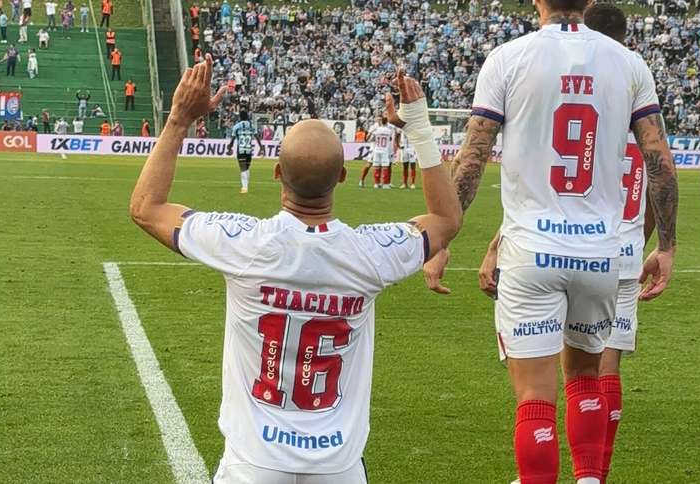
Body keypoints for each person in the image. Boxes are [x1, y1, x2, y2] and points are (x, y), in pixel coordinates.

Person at [129, 57, 461, 484]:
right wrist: (417, 126)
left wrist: (177, 120)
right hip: (337, 465)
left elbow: (145, 208)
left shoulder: (243, 243)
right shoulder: (371, 252)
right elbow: (446, 220)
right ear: (342, 176)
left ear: (277, 173)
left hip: (253, 462)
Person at [424, 0, 679, 481]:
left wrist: (443, 238)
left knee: (536, 397)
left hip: (531, 251)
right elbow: (657, 159)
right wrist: (666, 245)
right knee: (586, 379)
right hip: (600, 251)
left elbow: (474, 157)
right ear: (587, 2)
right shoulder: (628, 63)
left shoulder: (508, 58)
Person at [227, 110, 265, 194]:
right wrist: (261, 147)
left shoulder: (237, 126)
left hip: (241, 150)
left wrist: (229, 147)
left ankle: (244, 187)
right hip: (249, 150)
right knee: (247, 168)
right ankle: (246, 185)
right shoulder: (252, 126)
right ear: (247, 116)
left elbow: (233, 140)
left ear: (240, 117)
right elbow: (257, 137)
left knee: (243, 169)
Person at [362, 116, 394, 189]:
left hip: (376, 149)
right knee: (385, 167)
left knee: (376, 166)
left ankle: (376, 183)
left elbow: (371, 139)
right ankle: (385, 184)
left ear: (381, 122)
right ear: (386, 122)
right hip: (384, 150)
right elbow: (390, 139)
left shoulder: (376, 130)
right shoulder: (388, 130)